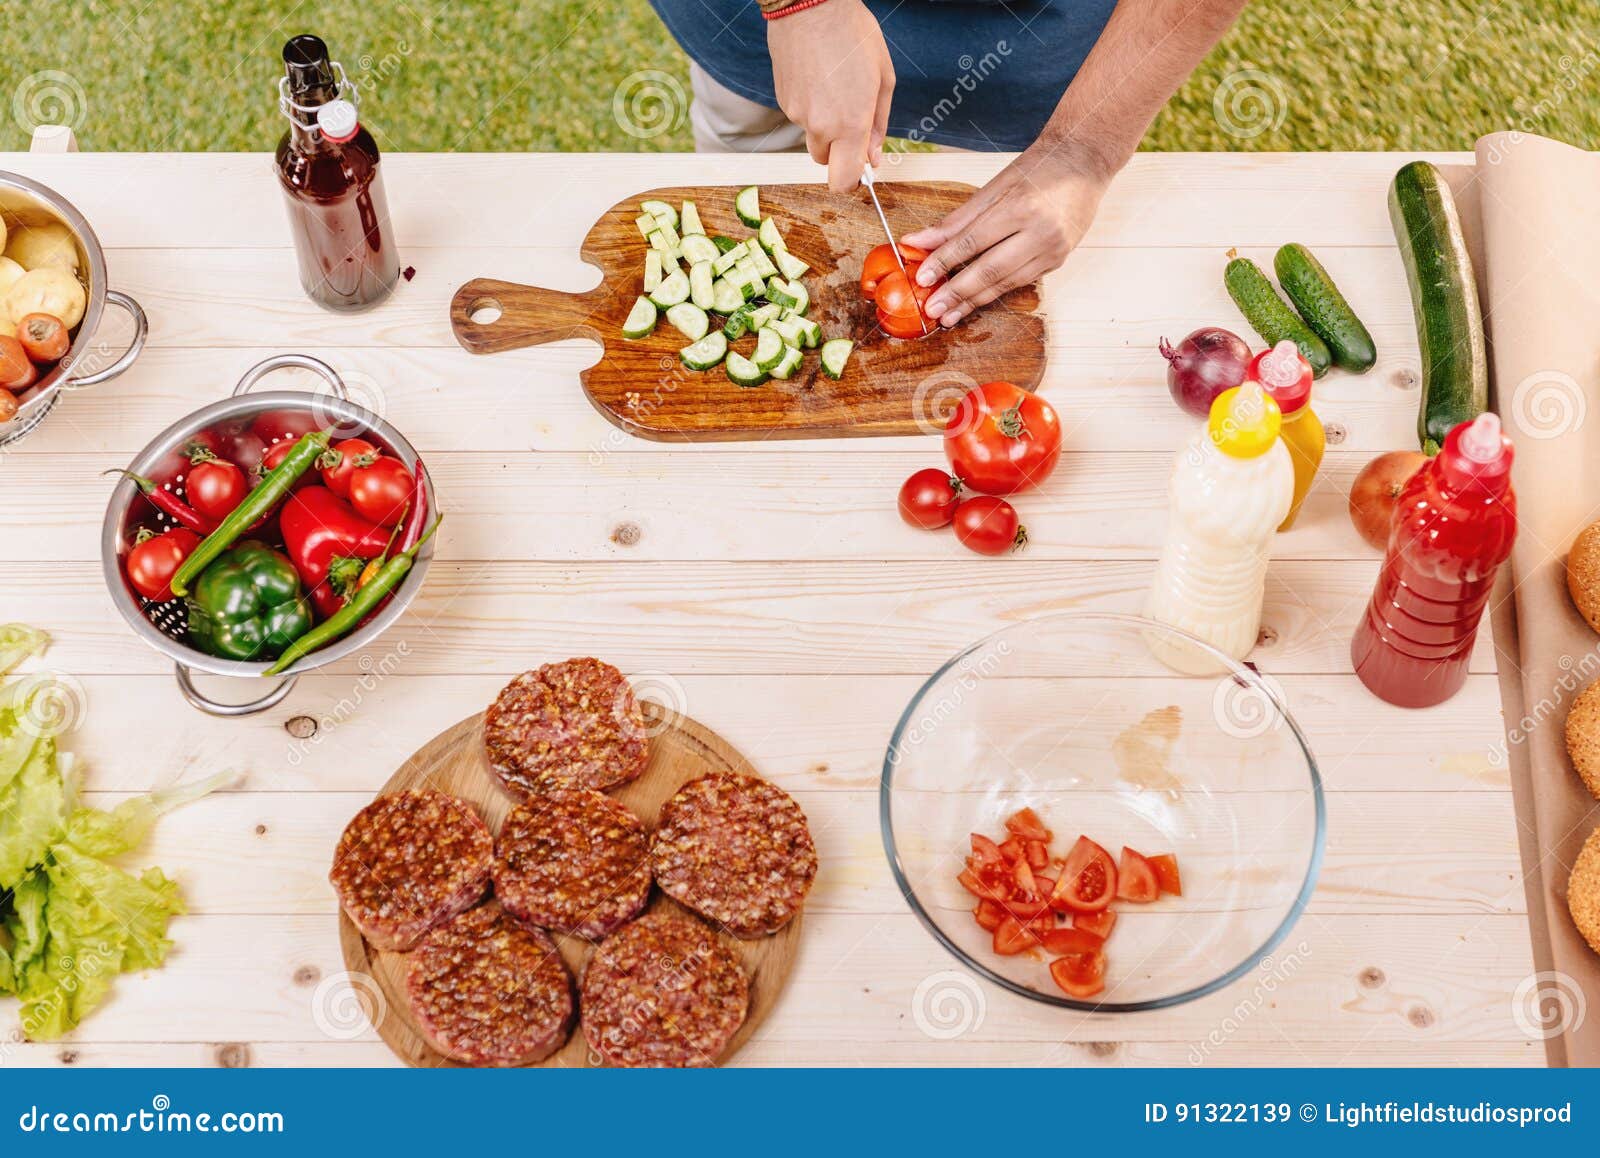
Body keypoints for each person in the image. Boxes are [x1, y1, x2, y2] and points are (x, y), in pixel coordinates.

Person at [647, 0, 1248, 328]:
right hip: (758, 16)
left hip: (1026, 31)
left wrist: (1083, 149)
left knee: (993, 196)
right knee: (746, 133)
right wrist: (802, 8)